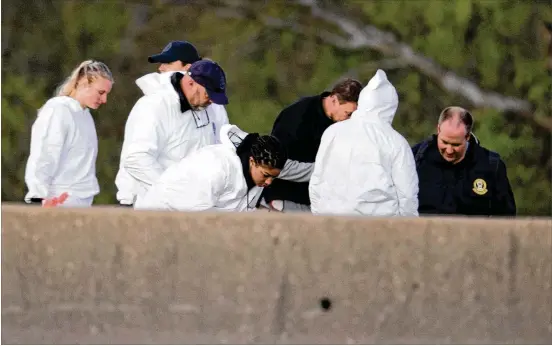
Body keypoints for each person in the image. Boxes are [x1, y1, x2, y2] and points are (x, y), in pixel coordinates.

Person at [115, 58, 229, 207]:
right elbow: (137, 158)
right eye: (208, 95)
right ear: (190, 83)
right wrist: (173, 193)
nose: (212, 102)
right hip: (156, 207)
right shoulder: (154, 106)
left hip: (195, 206)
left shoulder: (207, 108)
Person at [309, 69, 419, 217]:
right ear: (391, 107)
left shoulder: (332, 132)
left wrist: (318, 215)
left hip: (331, 222)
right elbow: (407, 194)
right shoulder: (397, 143)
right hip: (379, 227)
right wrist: (408, 228)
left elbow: (317, 179)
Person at [260, 78, 363, 212]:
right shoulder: (297, 117)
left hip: (321, 203)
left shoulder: (344, 125)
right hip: (288, 201)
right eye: (348, 114)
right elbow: (273, 165)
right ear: (334, 100)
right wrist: (325, 171)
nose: (350, 120)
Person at [134, 124, 287, 212]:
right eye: (266, 175)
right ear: (252, 161)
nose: (269, 182)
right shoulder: (217, 165)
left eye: (273, 177)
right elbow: (198, 213)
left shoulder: (256, 180)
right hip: (159, 216)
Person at [24, 60, 114, 207]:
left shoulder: (86, 115)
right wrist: (37, 197)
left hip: (82, 202)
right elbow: (44, 155)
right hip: (58, 201)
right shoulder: (58, 110)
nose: (104, 100)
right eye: (101, 92)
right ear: (84, 83)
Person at [411, 106, 516, 216]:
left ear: (467, 136)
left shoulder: (491, 165)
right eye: (445, 142)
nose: (449, 150)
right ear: (438, 130)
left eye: (456, 145)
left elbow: (506, 215)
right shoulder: (415, 158)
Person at [141, 40, 229, 142]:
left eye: (168, 62)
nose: (160, 68)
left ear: (188, 68)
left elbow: (223, 142)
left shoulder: (214, 102)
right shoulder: (154, 103)